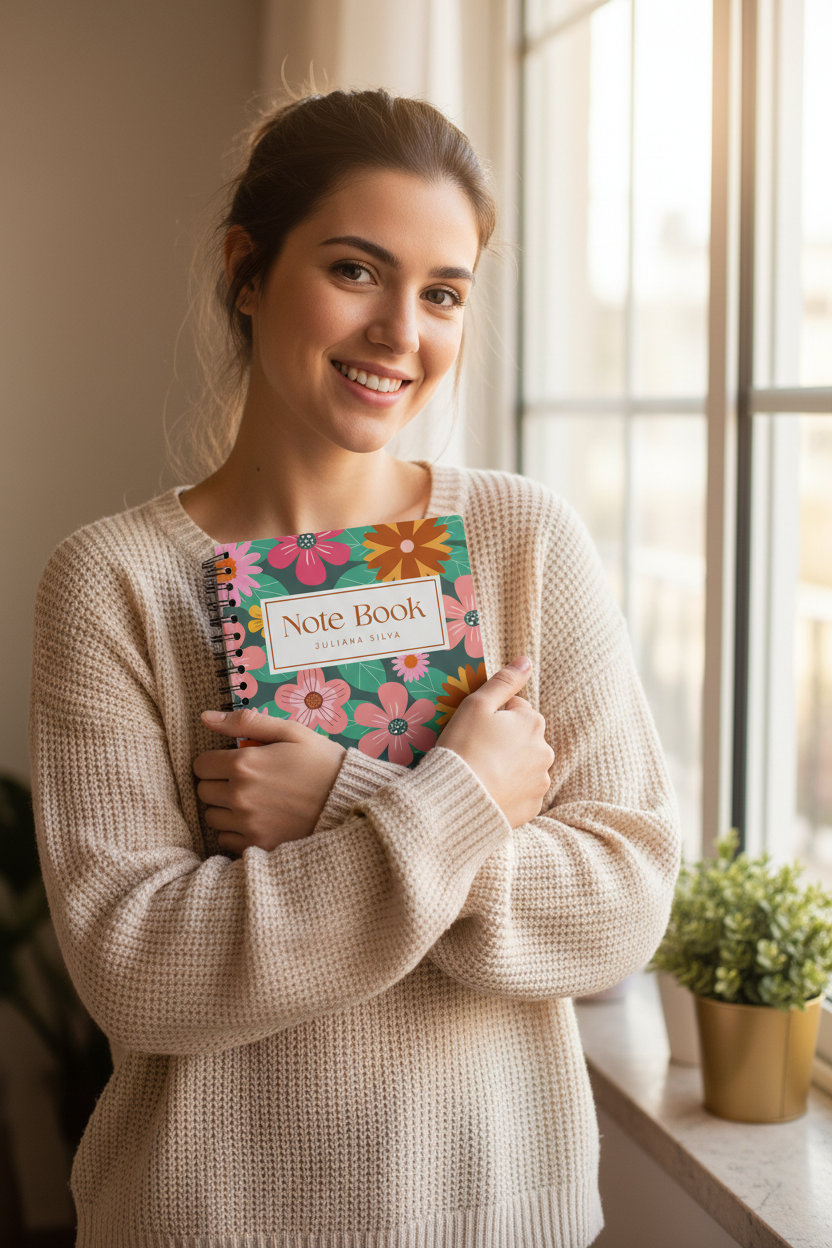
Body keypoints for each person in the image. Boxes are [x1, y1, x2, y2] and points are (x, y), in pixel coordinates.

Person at [30, 89, 680, 1248]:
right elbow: (143, 973)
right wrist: (463, 803)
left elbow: (620, 906)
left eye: (442, 293)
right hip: (206, 1221)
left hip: (502, 1215)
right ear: (246, 270)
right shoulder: (111, 582)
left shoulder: (523, 541)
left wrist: (350, 798)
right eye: (355, 271)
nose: (400, 332)